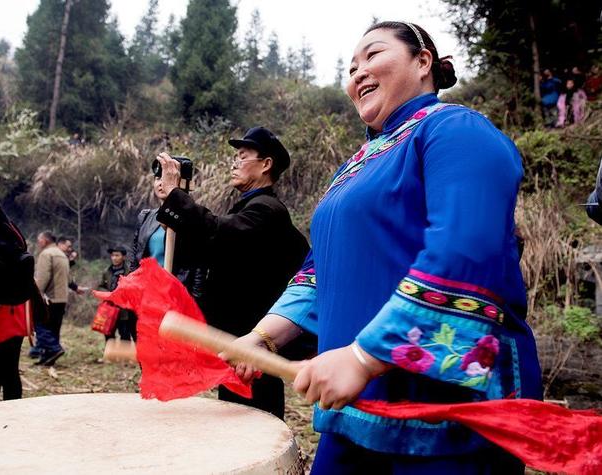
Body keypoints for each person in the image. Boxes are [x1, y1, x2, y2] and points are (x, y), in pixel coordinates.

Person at [232, 21, 542, 473]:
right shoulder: (352, 169)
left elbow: (467, 253)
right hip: (354, 407)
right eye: (351, 66)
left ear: (423, 62)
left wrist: (364, 355)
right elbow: (322, 273)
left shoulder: (455, 129)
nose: (358, 72)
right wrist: (261, 338)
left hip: (444, 414)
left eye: (373, 55)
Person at [156, 127, 310, 420]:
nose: (234, 163)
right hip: (236, 339)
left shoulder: (267, 210)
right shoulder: (249, 208)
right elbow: (207, 249)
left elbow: (219, 234)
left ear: (266, 164)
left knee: (254, 419)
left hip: (255, 339)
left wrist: (177, 197)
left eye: (242, 156)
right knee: (235, 412)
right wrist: (173, 205)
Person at [130, 173, 206, 301]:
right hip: (147, 293)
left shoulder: (196, 219)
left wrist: (193, 301)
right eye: (158, 178)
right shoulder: (145, 216)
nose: (161, 183)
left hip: (178, 296)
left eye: (166, 178)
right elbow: (135, 257)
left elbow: (199, 266)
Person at [32, 231, 69, 366]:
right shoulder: (62, 254)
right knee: (53, 328)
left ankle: (54, 349)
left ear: (45, 240)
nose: (38, 242)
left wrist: (36, 295)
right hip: (61, 297)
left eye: (39, 240)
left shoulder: (46, 254)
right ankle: (48, 358)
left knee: (39, 325)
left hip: (49, 298)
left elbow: (43, 278)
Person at [98, 246, 136, 341]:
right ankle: (110, 355)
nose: (114, 258)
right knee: (108, 335)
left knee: (125, 336)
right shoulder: (107, 272)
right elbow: (101, 286)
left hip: (125, 311)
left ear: (123, 257)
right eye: (112, 255)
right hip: (109, 309)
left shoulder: (130, 272)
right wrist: (108, 294)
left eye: (117, 255)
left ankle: (125, 355)